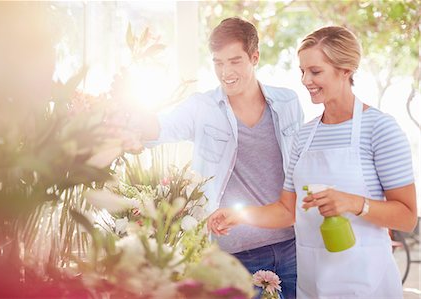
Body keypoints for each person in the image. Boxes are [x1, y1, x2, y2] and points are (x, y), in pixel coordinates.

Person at [208, 25, 418, 299]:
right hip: (312, 283)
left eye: (316, 71)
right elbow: (287, 210)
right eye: (302, 71)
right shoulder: (304, 135)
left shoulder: (380, 129)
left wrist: (355, 203)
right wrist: (240, 215)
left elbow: (407, 217)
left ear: (346, 70)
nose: (306, 80)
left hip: (366, 283)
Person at [119, 17, 303, 299]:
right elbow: (161, 127)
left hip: (291, 246)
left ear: (255, 57)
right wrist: (125, 115)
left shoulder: (288, 103)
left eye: (234, 61)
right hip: (234, 254)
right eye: (218, 62)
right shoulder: (202, 108)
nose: (226, 72)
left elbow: (303, 165)